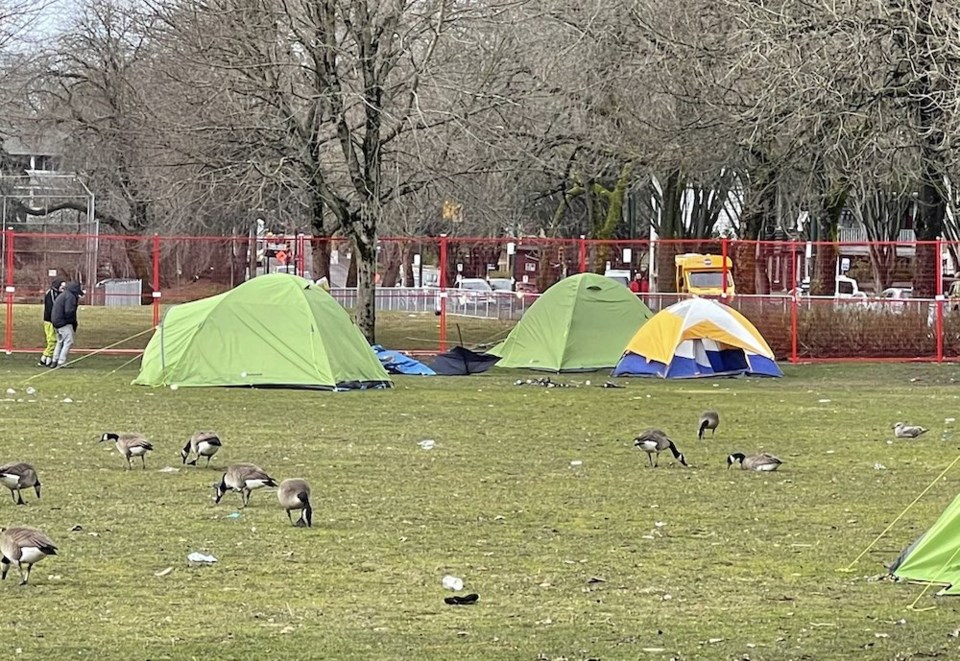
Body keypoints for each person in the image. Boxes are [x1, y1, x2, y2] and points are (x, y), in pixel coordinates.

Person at [50, 281, 84, 369]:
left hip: (56, 321)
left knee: (60, 341)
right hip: (63, 322)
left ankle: (54, 360)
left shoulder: (63, 295)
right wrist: (72, 322)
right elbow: (69, 311)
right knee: (68, 341)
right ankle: (61, 361)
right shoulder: (70, 297)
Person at [38, 278, 65, 367]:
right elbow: (53, 307)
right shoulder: (51, 294)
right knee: (52, 340)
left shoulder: (58, 294)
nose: (63, 288)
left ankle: (47, 358)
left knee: (54, 340)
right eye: (62, 286)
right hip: (50, 321)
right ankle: (45, 357)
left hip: (53, 320)